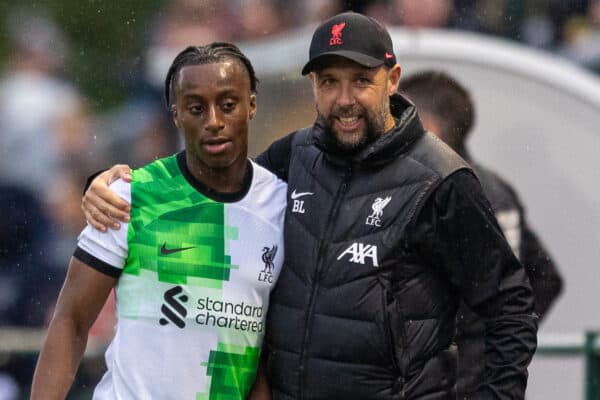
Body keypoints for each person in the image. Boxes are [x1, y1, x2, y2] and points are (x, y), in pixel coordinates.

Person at [82, 12, 538, 399]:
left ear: (392, 79)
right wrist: (110, 186)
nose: (344, 100)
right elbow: (207, 192)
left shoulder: (441, 180)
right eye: (329, 82)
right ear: (313, 86)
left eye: (361, 81)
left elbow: (509, 308)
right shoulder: (292, 156)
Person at [31, 42, 286, 400]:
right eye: (196, 108)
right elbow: (71, 320)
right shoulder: (129, 197)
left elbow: (267, 351)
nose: (213, 121)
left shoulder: (282, 205)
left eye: (228, 105)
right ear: (176, 114)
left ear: (252, 105)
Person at [399, 70, 563, 399]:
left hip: (451, 378)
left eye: (399, 116)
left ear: (428, 127)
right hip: (489, 376)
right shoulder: (498, 188)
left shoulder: (442, 192)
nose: (389, 128)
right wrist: (508, 342)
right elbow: (543, 276)